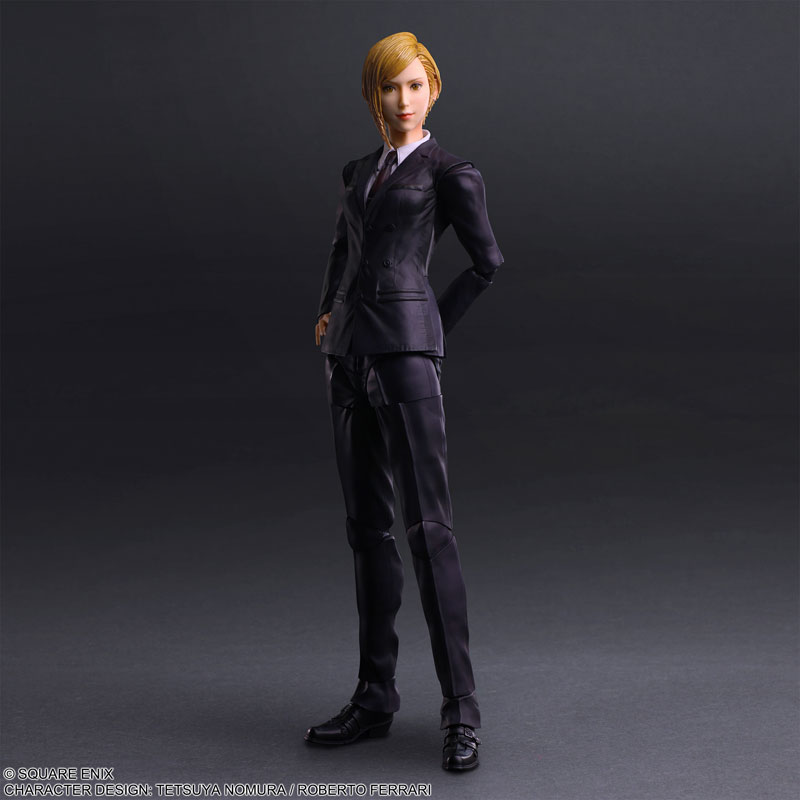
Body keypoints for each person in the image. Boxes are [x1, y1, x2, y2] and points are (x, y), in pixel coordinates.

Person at [306, 31, 503, 771]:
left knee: (429, 530)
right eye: (389, 87)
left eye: (414, 86)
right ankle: (374, 694)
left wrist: (430, 329)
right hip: (348, 359)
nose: (402, 100)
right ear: (372, 96)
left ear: (434, 90)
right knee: (366, 531)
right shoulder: (357, 172)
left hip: (407, 360)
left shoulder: (451, 173)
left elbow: (486, 262)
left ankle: (461, 710)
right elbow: (343, 248)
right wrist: (327, 311)